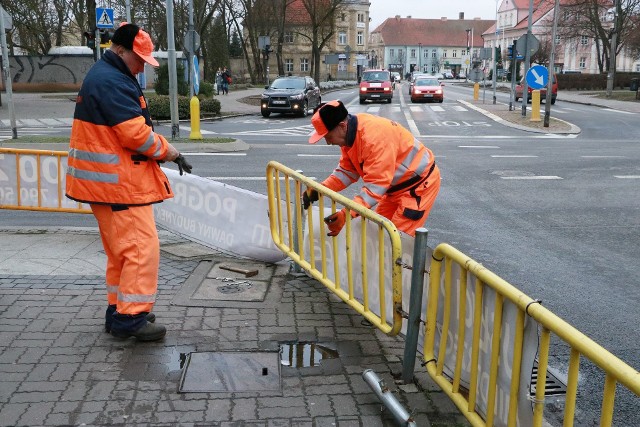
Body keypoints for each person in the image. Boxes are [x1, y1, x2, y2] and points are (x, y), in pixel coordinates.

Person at [65, 23, 193, 342]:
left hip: (105, 186)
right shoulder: (113, 81)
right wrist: (172, 152)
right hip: (120, 185)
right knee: (140, 250)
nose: (141, 68)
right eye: (139, 60)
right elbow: (135, 135)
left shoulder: (104, 75)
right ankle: (130, 317)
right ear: (120, 51)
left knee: (121, 253)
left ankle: (118, 310)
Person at [303, 100, 440, 237]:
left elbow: (375, 187)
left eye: (328, 136)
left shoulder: (373, 139)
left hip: (418, 187)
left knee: (397, 241)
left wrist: (345, 215)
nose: (328, 142)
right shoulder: (350, 135)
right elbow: (347, 171)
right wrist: (320, 189)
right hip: (394, 189)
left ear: (342, 126)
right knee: (377, 234)